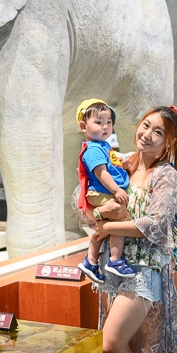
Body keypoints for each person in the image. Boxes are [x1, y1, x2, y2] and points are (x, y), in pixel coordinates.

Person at [86, 105, 177, 353]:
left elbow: (156, 224)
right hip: (116, 268)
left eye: (157, 132)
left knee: (111, 343)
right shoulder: (126, 162)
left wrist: (108, 227)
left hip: (144, 271)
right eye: (145, 125)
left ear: (169, 142)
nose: (146, 134)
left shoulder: (167, 176)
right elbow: (90, 186)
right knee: (128, 346)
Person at [74, 98, 136, 284]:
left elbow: (111, 165)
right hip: (102, 192)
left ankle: (90, 261)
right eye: (99, 122)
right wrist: (117, 190)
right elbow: (101, 174)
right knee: (120, 221)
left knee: (104, 229)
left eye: (109, 122)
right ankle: (115, 261)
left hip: (104, 191)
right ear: (84, 126)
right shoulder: (93, 149)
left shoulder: (102, 146)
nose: (105, 126)